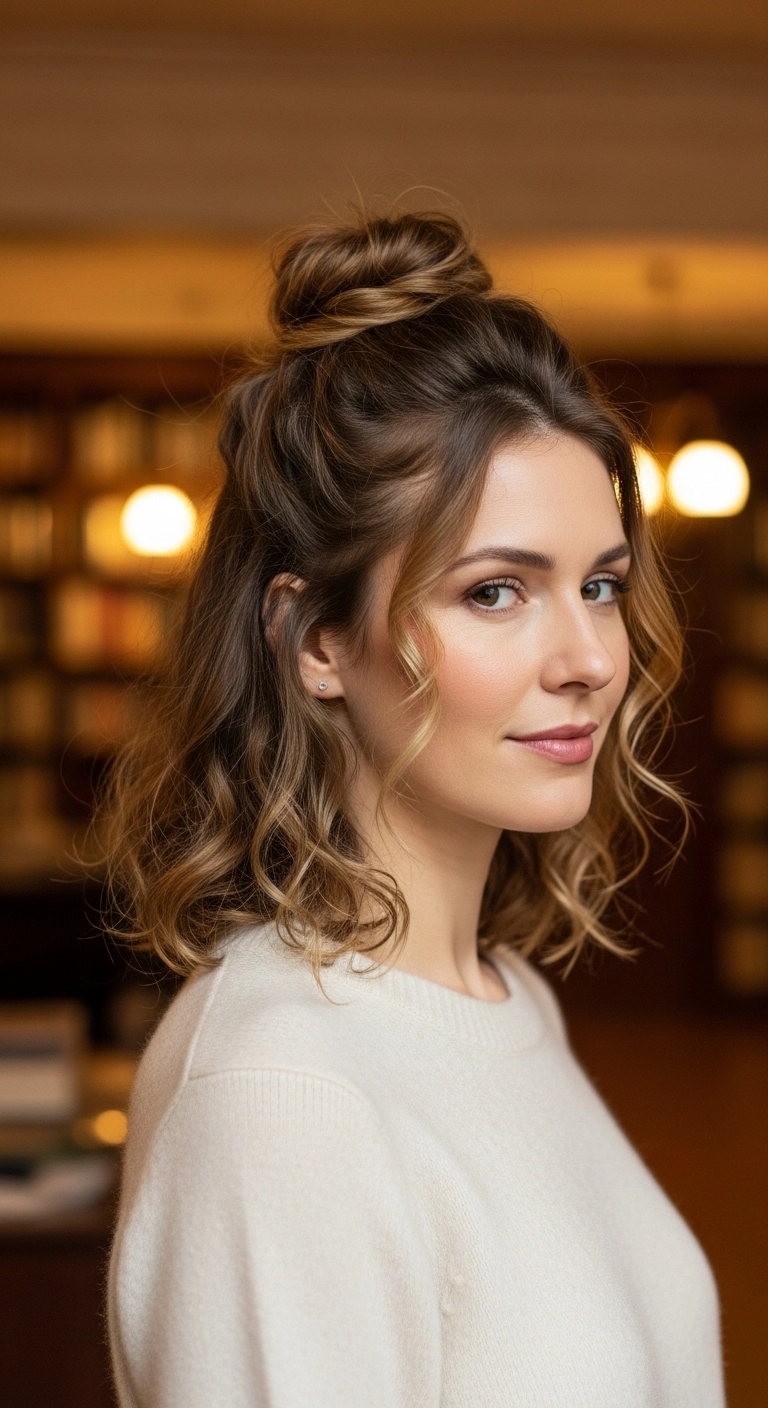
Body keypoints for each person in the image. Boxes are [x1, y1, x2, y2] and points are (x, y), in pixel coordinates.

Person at [105, 211, 725, 1407]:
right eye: (498, 591)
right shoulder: (283, 1092)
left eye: (600, 584)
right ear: (318, 637)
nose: (592, 655)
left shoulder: (508, 999)